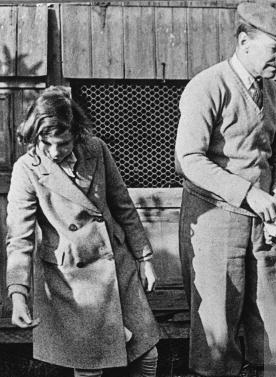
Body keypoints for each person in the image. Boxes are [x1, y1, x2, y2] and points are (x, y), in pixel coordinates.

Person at [175, 2, 276, 376]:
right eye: (274, 48)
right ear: (244, 41)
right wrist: (248, 193)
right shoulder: (207, 86)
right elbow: (189, 159)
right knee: (217, 337)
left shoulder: (275, 93)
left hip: (265, 228)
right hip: (215, 225)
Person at [6, 86, 160, 377]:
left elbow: (122, 205)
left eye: (62, 143)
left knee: (146, 353)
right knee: (89, 367)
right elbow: (19, 238)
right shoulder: (27, 169)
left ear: (76, 133)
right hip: (73, 278)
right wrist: (17, 294)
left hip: (116, 263)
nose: (54, 152)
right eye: (45, 143)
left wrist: (144, 258)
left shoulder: (96, 149)